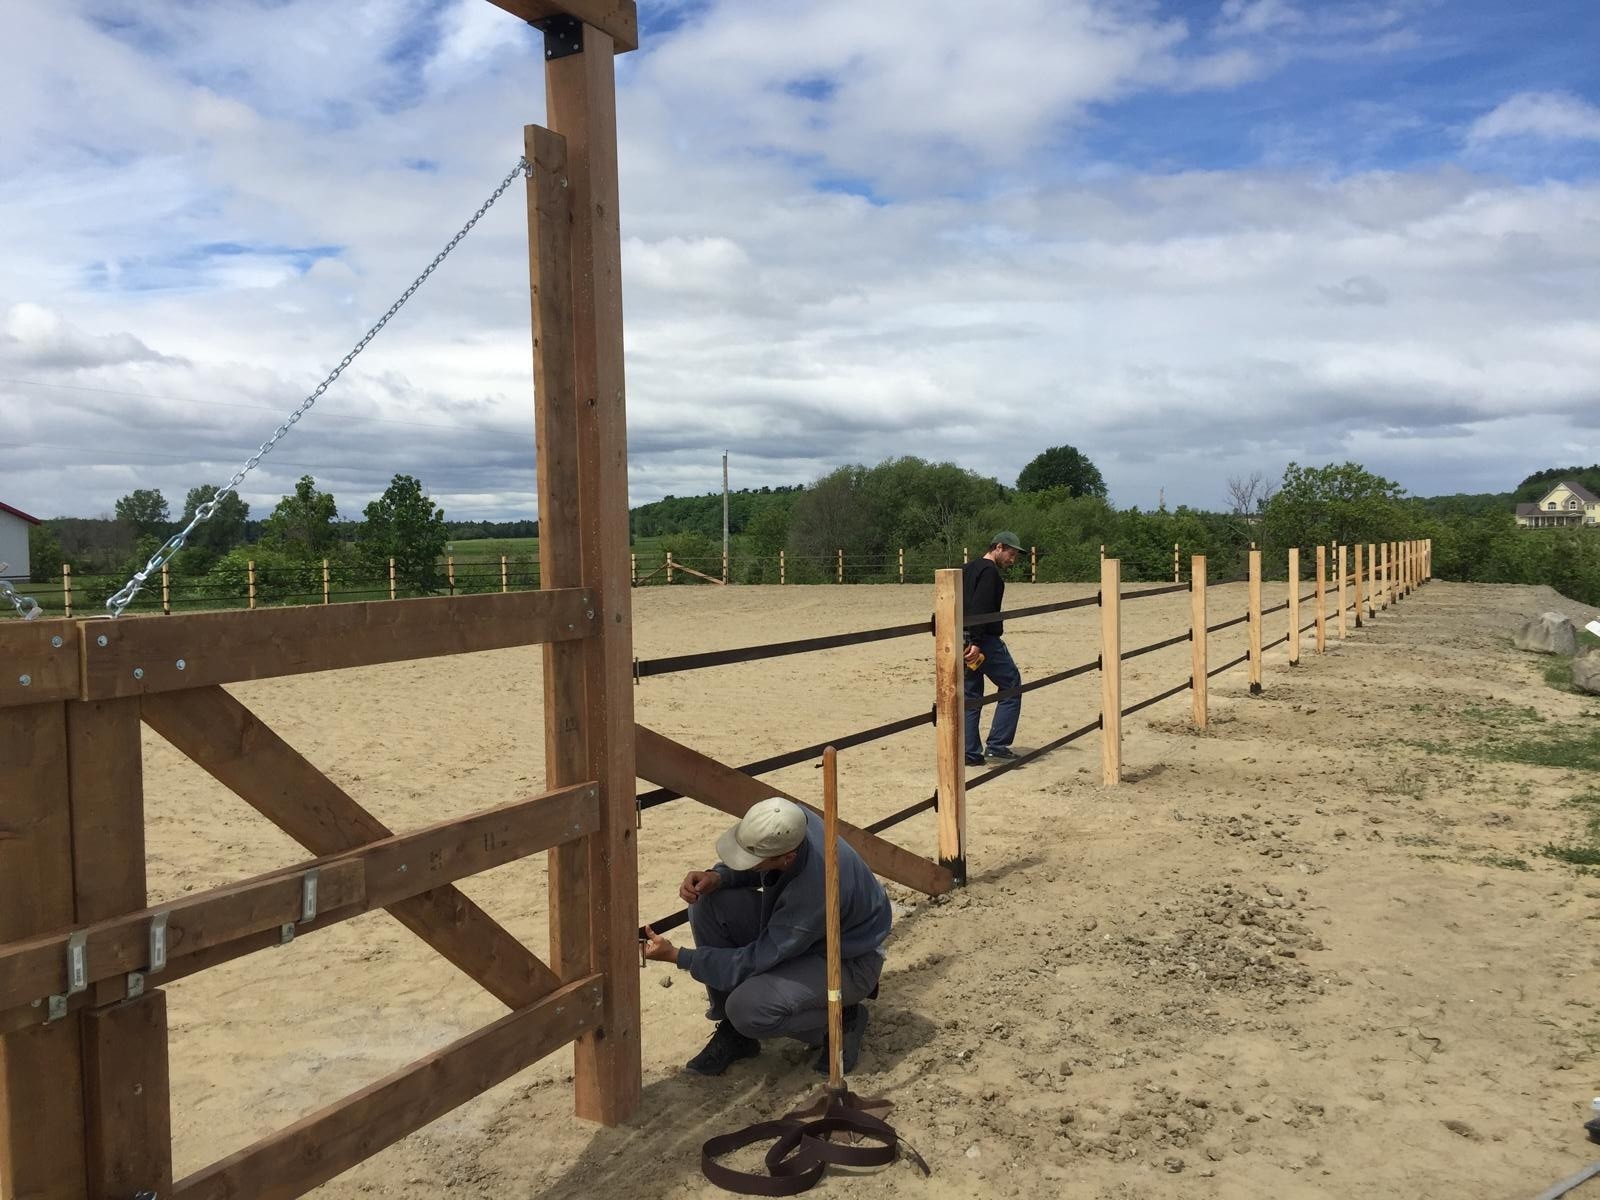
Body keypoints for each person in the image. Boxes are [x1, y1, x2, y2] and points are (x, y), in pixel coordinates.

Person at [641, 796, 892, 1077]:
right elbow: (759, 866)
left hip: (849, 959)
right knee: (707, 903)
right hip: (811, 934)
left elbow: (753, 959)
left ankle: (841, 1019)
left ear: (787, 858)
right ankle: (737, 1035)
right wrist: (719, 877)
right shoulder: (787, 820)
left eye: (756, 862)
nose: (751, 864)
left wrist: (679, 956)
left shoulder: (814, 891)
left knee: (746, 1010)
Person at [962, 532, 1024, 766]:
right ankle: (997, 746)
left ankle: (970, 752)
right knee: (1011, 684)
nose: (1012, 559)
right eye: (1011, 553)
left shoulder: (966, 569)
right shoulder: (989, 572)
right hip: (983, 640)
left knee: (971, 695)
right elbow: (982, 607)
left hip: (961, 638)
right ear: (998, 547)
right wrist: (977, 641)